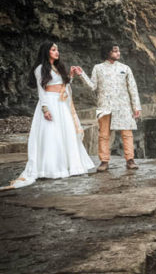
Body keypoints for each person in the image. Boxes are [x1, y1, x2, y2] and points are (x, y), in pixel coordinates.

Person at [1, 42, 95, 190]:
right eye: (53, 49)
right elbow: (41, 91)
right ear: (46, 52)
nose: (57, 52)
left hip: (61, 104)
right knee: (52, 135)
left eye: (57, 49)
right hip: (50, 103)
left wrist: (71, 75)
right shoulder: (40, 69)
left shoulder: (58, 67)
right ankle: (51, 168)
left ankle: (69, 166)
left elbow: (64, 85)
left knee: (65, 134)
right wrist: (45, 109)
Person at [75, 45, 142, 171]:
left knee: (127, 134)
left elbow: (132, 88)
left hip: (123, 107)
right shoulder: (98, 68)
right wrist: (81, 74)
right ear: (107, 52)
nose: (118, 53)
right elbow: (92, 86)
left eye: (118, 50)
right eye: (115, 51)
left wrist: (136, 107)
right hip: (104, 107)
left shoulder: (125, 68)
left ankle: (130, 160)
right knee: (104, 135)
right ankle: (104, 161)